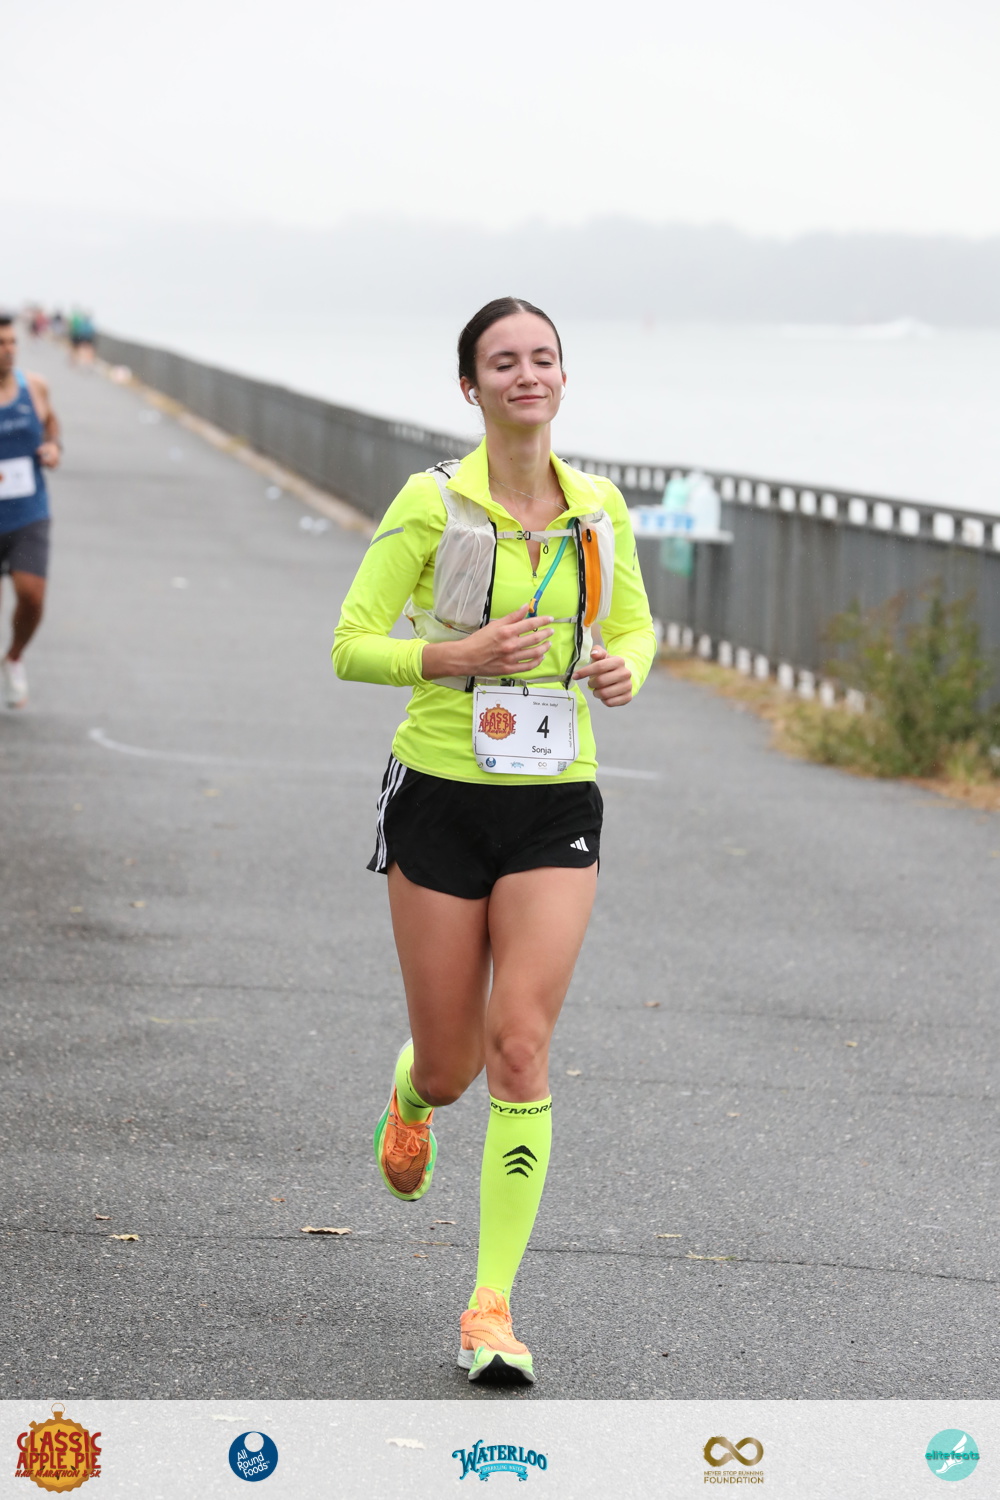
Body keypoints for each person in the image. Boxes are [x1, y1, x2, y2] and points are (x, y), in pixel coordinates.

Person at [332, 296, 657, 1385]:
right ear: (470, 387)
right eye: (504, 361)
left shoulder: (597, 506)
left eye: (543, 357)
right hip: (439, 790)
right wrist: (454, 657)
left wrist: (626, 668)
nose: (528, 375)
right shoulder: (429, 503)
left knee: (520, 1044)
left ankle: (490, 1308)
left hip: (555, 797)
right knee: (455, 1063)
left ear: (563, 377)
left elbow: (634, 625)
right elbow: (350, 644)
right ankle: (412, 1096)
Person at [0, 313, 61, 708]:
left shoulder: (34, 386)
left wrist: (54, 447)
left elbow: (52, 423)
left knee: (32, 596)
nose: (8, 351)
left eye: (12, 342)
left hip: (28, 513)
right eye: (0, 344)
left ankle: (14, 656)